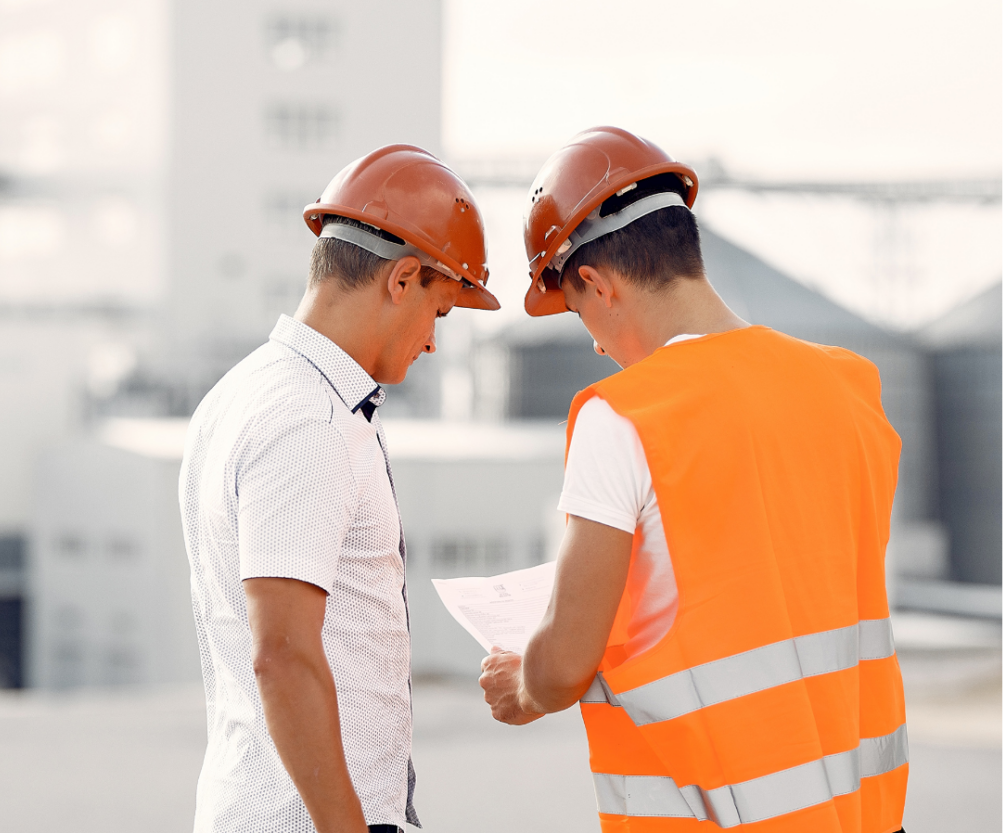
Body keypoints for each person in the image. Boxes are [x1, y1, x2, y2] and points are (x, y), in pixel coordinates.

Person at [479, 126, 908, 832]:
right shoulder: (850, 387)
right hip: (867, 811)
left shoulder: (624, 417)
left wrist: (524, 680)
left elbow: (560, 666)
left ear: (595, 282)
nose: (592, 341)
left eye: (579, 311)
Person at [179, 144, 498, 833]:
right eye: (440, 313)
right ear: (403, 278)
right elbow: (284, 654)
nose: (435, 343)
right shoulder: (308, 421)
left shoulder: (247, 392)